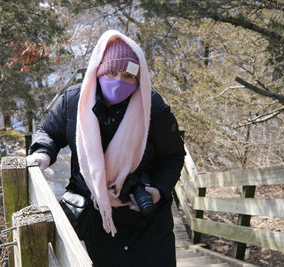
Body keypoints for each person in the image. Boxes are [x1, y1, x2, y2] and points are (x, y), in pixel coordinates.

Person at [27, 29, 185, 267]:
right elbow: (49, 132)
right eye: (112, 72)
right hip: (97, 217)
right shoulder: (73, 102)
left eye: (128, 76)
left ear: (138, 79)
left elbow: (173, 156)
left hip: (148, 221)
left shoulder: (152, 107)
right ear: (99, 70)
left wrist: (158, 190)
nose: (119, 81)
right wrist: (43, 152)